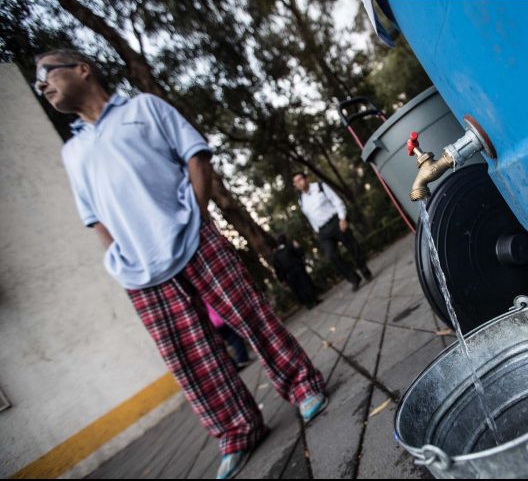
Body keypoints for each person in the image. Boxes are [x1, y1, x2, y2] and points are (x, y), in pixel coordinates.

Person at [34, 49, 327, 479]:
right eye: (38, 86)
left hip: (192, 238)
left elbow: (196, 154)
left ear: (82, 69)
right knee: (188, 358)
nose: (43, 86)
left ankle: (303, 386)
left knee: (249, 315)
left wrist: (199, 214)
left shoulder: (143, 108)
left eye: (47, 75)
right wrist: (117, 256)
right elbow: (93, 216)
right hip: (138, 272)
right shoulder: (72, 152)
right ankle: (238, 432)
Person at [292, 172, 372, 291]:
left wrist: (342, 218)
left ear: (306, 179)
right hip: (323, 231)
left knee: (353, 247)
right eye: (296, 182)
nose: (299, 183)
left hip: (335, 222)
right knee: (332, 256)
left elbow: (337, 201)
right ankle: (354, 279)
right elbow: (310, 217)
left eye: (300, 179)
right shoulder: (300, 200)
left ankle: (365, 271)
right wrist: (317, 231)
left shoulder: (320, 186)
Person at [272, 234, 319, 309]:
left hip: (289, 274)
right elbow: (300, 254)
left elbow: (278, 269)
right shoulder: (289, 246)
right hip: (297, 269)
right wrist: (298, 247)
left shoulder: (276, 255)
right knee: (305, 284)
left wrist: (282, 279)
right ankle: (313, 300)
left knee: (299, 288)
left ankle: (308, 303)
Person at [205, 301, 251, 370]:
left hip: (213, 326)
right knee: (235, 339)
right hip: (221, 321)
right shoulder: (206, 297)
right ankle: (242, 359)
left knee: (222, 346)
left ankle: (232, 365)